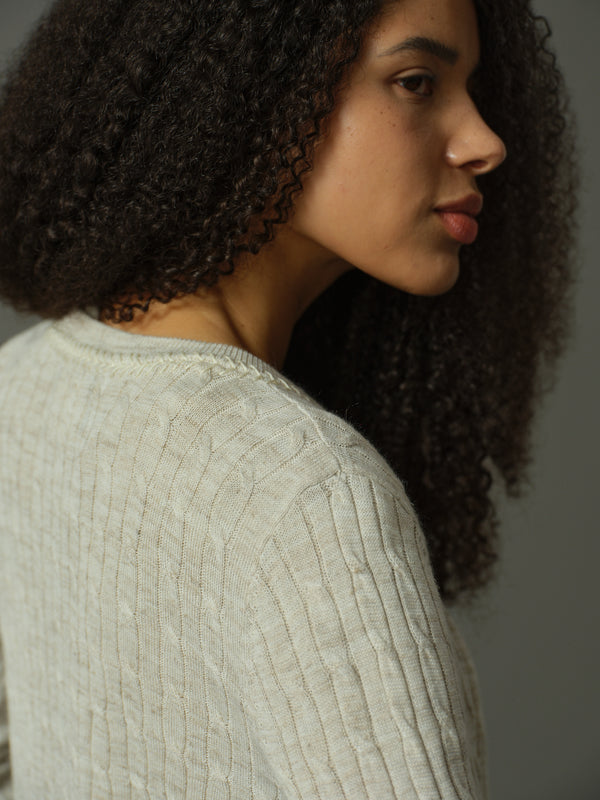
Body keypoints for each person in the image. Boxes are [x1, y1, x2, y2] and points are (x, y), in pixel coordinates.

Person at [0, 0, 577, 797]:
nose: (486, 141)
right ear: (255, 89)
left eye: (472, 87)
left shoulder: (22, 386)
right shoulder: (309, 493)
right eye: (416, 81)